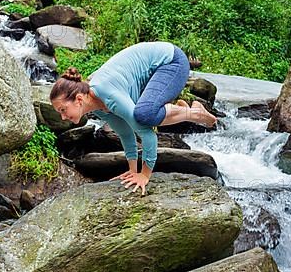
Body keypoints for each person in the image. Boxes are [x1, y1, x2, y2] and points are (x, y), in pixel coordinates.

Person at [50, 42, 217, 195]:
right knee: (143, 114)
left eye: (63, 110)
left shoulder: (108, 94)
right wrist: (133, 170)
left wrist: (144, 175)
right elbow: (126, 134)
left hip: (172, 62)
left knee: (144, 115)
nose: (63, 117)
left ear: (79, 99)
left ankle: (193, 113)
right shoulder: (96, 106)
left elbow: (148, 135)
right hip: (153, 72)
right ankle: (189, 110)